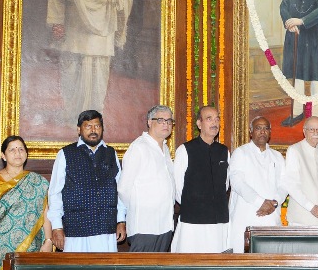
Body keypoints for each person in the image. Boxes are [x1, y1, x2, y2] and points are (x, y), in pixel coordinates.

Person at [47, 0, 133, 119]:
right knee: (72, 70)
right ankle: (72, 115)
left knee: (98, 73)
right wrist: (57, 22)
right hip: (75, 26)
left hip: (102, 29)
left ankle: (94, 116)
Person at [47, 110, 127, 252]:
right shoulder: (65, 153)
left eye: (97, 126)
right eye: (88, 126)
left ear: (102, 129)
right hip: (76, 230)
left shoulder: (111, 153)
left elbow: (119, 190)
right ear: (79, 129)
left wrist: (121, 220)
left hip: (106, 229)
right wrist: (57, 227)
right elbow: (55, 193)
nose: (93, 130)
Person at [0, 136, 52, 269]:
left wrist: (48, 240)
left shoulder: (38, 182)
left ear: (26, 154)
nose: (17, 153)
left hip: (31, 248)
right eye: (12, 150)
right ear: (3, 155)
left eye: (21, 149)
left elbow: (46, 212)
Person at [171, 106, 230, 253]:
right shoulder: (185, 150)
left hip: (219, 221)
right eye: (209, 119)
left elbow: (225, 184)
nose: (214, 123)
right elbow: (178, 188)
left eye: (217, 119)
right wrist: (196, 203)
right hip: (193, 222)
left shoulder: (224, 151)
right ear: (199, 124)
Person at [117, 105, 176, 252]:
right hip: (144, 226)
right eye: (161, 120)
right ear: (149, 122)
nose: (166, 124)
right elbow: (123, 189)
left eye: (169, 121)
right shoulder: (139, 147)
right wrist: (140, 206)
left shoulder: (165, 149)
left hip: (165, 225)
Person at [228, 116, 287, 252]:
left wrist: (275, 202)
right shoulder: (241, 153)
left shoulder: (277, 156)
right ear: (251, 131)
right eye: (258, 128)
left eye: (266, 128)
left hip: (271, 217)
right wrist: (260, 202)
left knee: (270, 259)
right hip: (246, 217)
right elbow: (237, 182)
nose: (262, 131)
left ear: (270, 132)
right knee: (243, 260)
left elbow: (284, 184)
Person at [282, 116, 318, 225]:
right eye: (312, 129)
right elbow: (292, 185)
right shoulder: (295, 150)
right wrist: (312, 208)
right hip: (301, 220)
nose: (316, 132)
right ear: (304, 131)